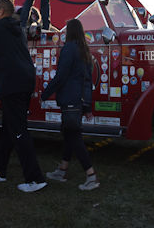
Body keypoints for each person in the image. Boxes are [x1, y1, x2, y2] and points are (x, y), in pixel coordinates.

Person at [0, 0, 47, 192]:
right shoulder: (18, 30)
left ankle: (35, 178)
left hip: (12, 82)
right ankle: (0, 169)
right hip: (25, 80)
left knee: (18, 130)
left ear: (2, 11)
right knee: (9, 125)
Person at [41, 19, 100, 190]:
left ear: (70, 32)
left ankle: (91, 176)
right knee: (68, 133)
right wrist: (87, 107)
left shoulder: (69, 49)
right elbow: (88, 82)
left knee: (74, 137)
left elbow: (61, 77)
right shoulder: (85, 52)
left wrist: (45, 94)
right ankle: (62, 170)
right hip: (79, 101)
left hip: (70, 100)